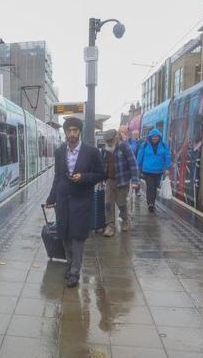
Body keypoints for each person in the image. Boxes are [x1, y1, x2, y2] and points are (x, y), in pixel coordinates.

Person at [45, 117, 105, 288]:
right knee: (65, 236)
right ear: (65, 132)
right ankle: (70, 265)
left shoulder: (91, 152)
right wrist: (51, 198)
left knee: (77, 238)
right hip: (63, 200)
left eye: (75, 130)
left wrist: (84, 177)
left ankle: (74, 272)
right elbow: (57, 177)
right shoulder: (60, 151)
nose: (72, 134)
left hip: (81, 200)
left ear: (79, 132)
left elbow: (101, 174)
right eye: (69, 130)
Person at [102, 129, 139, 237]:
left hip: (122, 181)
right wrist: (101, 177)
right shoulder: (105, 150)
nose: (109, 142)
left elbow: (133, 164)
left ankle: (125, 220)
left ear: (116, 138)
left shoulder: (124, 147)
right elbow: (103, 165)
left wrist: (135, 180)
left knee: (121, 203)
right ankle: (110, 226)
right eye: (107, 141)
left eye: (110, 140)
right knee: (108, 204)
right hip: (109, 181)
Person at [136, 129, 171, 213]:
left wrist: (167, 168)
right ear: (150, 137)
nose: (155, 138)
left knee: (155, 187)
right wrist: (137, 166)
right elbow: (140, 155)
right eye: (153, 137)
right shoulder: (144, 145)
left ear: (159, 137)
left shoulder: (163, 145)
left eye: (156, 137)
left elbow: (167, 156)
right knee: (150, 187)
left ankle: (153, 202)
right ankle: (150, 204)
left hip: (158, 171)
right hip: (147, 170)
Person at [128, 129, 142, 197]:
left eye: (136, 134)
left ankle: (137, 191)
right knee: (129, 176)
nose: (135, 136)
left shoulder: (141, 141)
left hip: (138, 162)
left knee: (138, 177)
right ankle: (129, 190)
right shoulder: (130, 141)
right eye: (134, 134)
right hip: (130, 162)